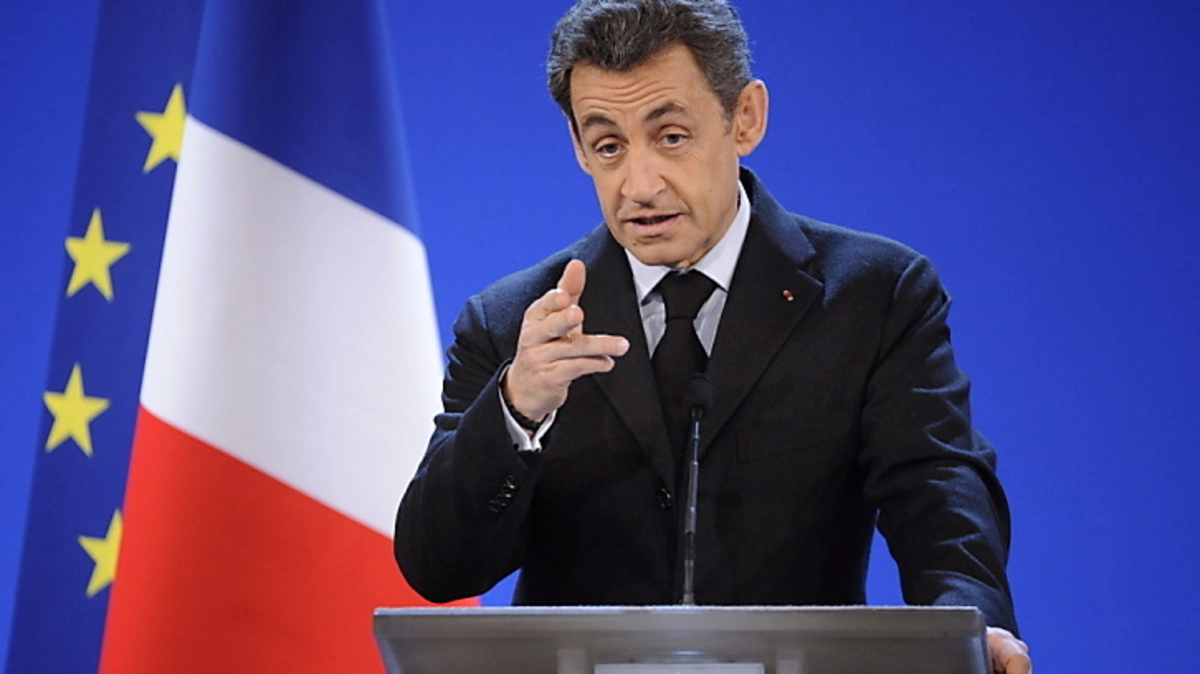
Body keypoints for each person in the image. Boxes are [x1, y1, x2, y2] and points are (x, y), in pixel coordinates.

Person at [394, 0, 1032, 671]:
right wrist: (517, 408)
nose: (640, 185)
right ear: (579, 147)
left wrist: (974, 625)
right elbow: (439, 568)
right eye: (609, 146)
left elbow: (936, 490)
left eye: (671, 137)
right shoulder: (513, 325)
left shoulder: (874, 296)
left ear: (744, 117)